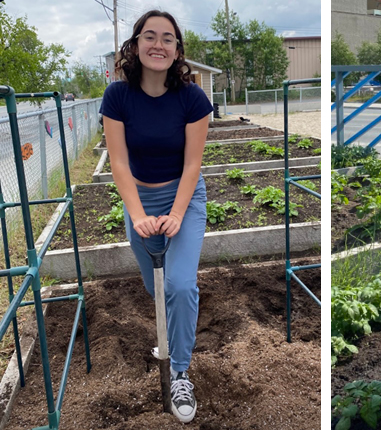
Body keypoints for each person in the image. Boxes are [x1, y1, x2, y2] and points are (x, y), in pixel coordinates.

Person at [99, 10, 212, 423]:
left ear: (178, 50)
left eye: (168, 38)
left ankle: (180, 370)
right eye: (150, 36)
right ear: (135, 45)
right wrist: (138, 214)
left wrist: (178, 213)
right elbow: (119, 164)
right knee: (158, 289)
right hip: (140, 203)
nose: (158, 44)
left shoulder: (193, 99)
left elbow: (192, 165)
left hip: (184, 197)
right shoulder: (117, 97)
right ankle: (176, 329)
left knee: (180, 285)